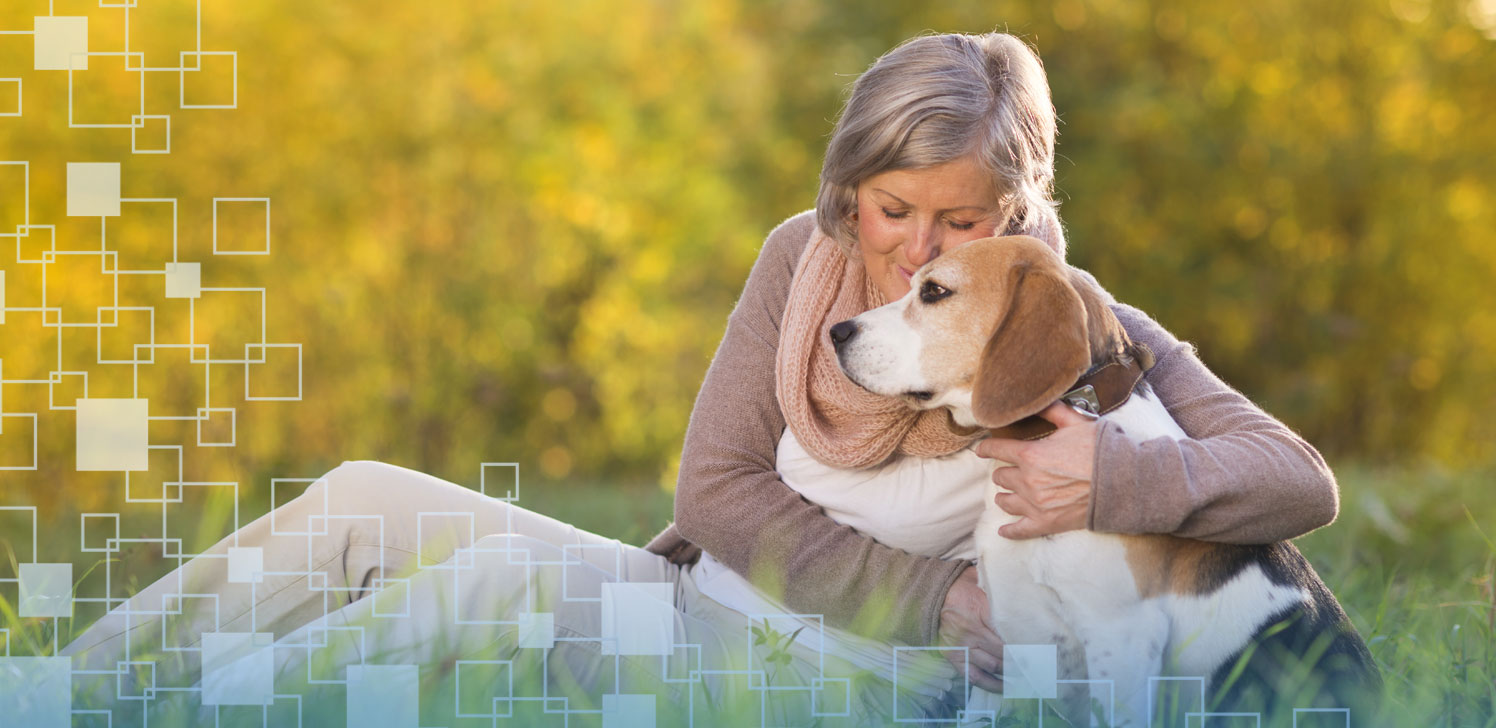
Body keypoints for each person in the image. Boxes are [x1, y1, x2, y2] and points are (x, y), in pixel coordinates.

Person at [60, 31, 1338, 726]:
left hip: (846, 668)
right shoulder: (803, 259)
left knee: (490, 583)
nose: (916, 251)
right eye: (891, 208)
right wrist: (942, 589)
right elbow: (714, 489)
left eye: (964, 220)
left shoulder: (1074, 333)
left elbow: (1294, 481)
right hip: (704, 583)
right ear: (849, 190)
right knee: (360, 497)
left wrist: (1108, 473)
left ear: (1018, 207)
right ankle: (58, 692)